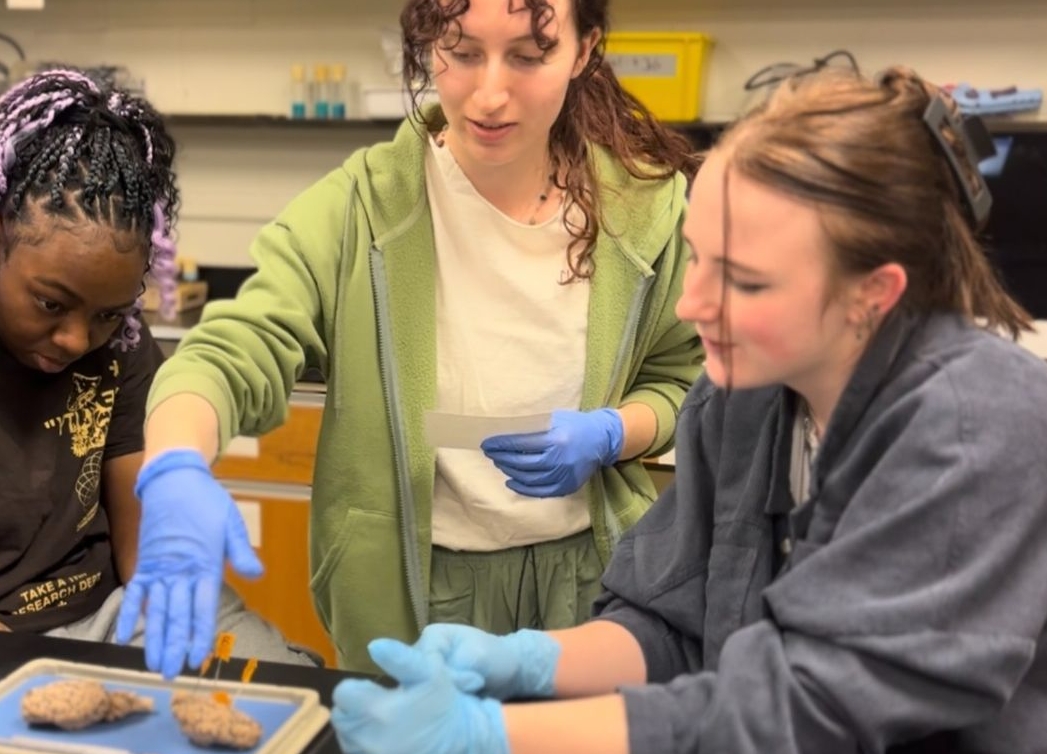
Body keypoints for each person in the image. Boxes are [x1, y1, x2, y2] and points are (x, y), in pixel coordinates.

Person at [328, 65, 1047, 754]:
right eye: (697, 256)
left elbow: (794, 715)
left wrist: (485, 740)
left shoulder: (975, 425)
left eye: (744, 281)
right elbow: (675, 623)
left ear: (875, 292)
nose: (690, 304)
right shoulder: (750, 394)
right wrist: (528, 660)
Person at [125, 0, 703, 677]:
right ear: (429, 48)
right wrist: (173, 464)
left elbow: (683, 379)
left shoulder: (644, 209)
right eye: (461, 53)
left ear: (582, 52)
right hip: (413, 590)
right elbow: (232, 350)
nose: (490, 94)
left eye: (527, 54)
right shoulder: (361, 208)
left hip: (592, 578)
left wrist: (613, 430)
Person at [0, 69, 316, 669]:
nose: (78, 338)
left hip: (114, 614)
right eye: (50, 304)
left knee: (286, 686)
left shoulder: (117, 335)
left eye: (107, 312)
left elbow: (140, 558)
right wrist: (62, 682)